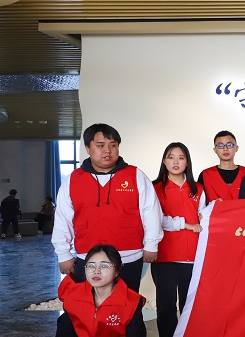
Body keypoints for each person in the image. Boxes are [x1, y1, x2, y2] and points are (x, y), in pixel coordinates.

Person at [52, 124, 163, 293]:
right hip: (87, 258)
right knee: (88, 305)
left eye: (113, 145)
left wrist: (152, 244)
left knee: (127, 304)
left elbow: (151, 211)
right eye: (100, 145)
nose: (107, 151)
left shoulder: (135, 175)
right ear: (88, 148)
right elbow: (63, 219)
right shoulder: (73, 179)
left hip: (128, 257)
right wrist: (63, 254)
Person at [151, 142, 207, 337]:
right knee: (165, 307)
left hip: (192, 258)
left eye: (181, 157)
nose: (176, 162)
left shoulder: (198, 189)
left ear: (187, 162)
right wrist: (186, 224)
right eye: (171, 157)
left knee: (188, 307)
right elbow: (157, 220)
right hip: (164, 257)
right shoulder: (155, 188)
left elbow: (204, 218)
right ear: (164, 161)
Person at [198, 130, 245, 201]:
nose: (225, 149)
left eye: (229, 145)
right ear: (215, 150)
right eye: (220, 145)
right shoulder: (205, 175)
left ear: (236, 148)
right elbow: (199, 204)